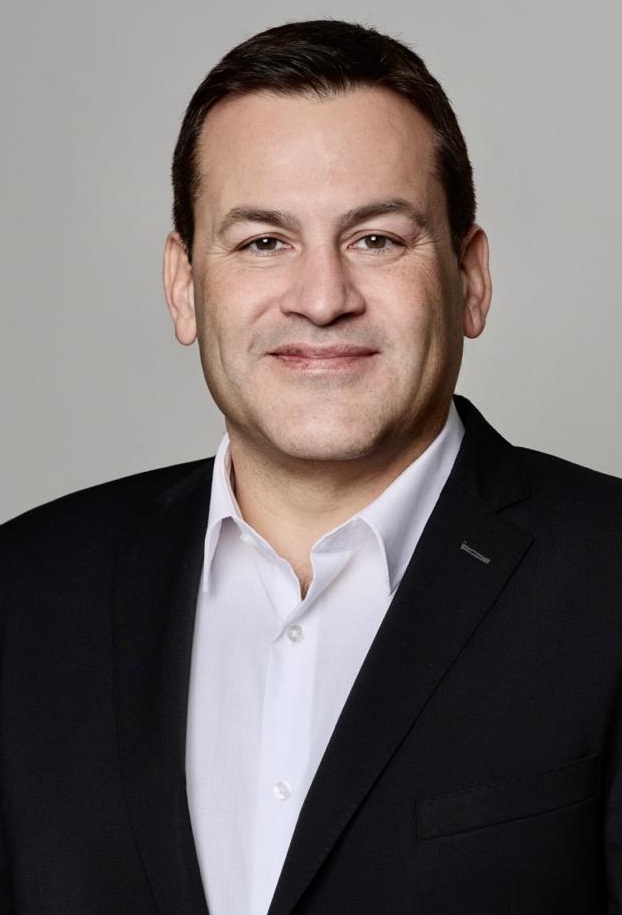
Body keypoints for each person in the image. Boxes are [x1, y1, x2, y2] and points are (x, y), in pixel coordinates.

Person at [1, 18, 621, 915]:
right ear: (184, 285)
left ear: (471, 278)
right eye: (263, 241)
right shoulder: (24, 593)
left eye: (377, 239)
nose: (323, 299)